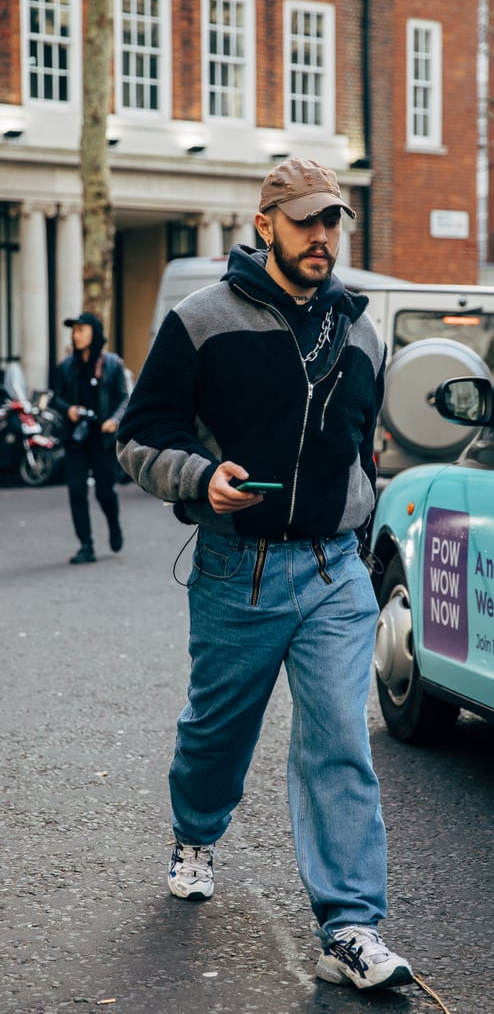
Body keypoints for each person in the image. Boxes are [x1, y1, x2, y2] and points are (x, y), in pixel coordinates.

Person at [117, 158, 413, 991]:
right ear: (266, 225)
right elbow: (138, 438)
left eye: (333, 223)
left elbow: (359, 448)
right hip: (233, 570)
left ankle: (349, 924)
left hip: (333, 575)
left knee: (339, 742)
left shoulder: (361, 331)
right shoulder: (200, 320)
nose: (323, 237)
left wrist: (359, 529)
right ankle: (195, 831)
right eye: (308, 221)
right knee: (217, 734)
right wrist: (196, 480)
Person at [52, 312, 129, 565]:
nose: (76, 335)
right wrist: (68, 410)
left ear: (94, 333)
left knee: (104, 492)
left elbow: (124, 398)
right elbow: (54, 398)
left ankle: (114, 525)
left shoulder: (112, 365)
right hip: (76, 438)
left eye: (81, 330)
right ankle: (86, 545)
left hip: (102, 439)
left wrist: (114, 421)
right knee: (76, 490)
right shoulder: (66, 367)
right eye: (74, 331)